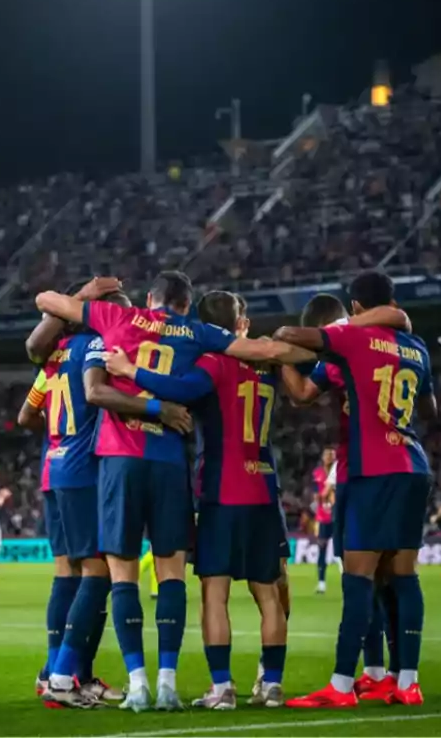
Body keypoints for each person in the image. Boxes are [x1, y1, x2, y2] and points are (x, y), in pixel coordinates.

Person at [35, 270, 312, 712]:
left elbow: (46, 298)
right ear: (187, 304)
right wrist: (325, 346)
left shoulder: (115, 317)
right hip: (169, 463)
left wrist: (84, 293)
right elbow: (265, 350)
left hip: (120, 459)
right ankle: (168, 682)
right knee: (172, 576)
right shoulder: (198, 334)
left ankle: (137, 683)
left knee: (122, 575)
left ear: (150, 298)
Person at [106, 290, 289, 710]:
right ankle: (273, 684)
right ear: (239, 323)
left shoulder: (213, 362)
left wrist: (130, 369)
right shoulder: (266, 367)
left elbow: (181, 390)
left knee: (215, 593)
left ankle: (222, 688)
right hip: (263, 488)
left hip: (221, 491)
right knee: (268, 594)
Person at [22, 278, 190, 708]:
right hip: (85, 472)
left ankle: (60, 672)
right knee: (97, 576)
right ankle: (62, 676)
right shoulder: (98, 347)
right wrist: (157, 408)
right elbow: (100, 394)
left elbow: (26, 415)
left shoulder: (53, 358)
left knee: (67, 575)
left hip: (53, 469)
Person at [273, 271, 434, 708]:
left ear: (358, 309)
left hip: (371, 468)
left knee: (359, 580)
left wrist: (282, 352)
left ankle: (342, 687)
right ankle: (406, 682)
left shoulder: (351, 339)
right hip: (414, 465)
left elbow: (293, 349)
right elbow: (429, 406)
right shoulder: (416, 347)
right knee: (403, 578)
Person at [278, 292, 394, 703]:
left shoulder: (343, 348)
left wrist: (284, 355)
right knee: (382, 579)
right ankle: (382, 672)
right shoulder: (386, 345)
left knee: (359, 579)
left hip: (359, 472)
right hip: (397, 466)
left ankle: (351, 679)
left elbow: (302, 394)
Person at [313, 447, 338, 593]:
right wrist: (317, 500)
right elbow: (315, 495)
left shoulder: (339, 472)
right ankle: (321, 582)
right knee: (321, 549)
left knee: (342, 550)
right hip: (323, 517)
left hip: (337, 516)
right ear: (323, 457)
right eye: (327, 455)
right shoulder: (317, 474)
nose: (329, 458)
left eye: (332, 455)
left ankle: (346, 579)